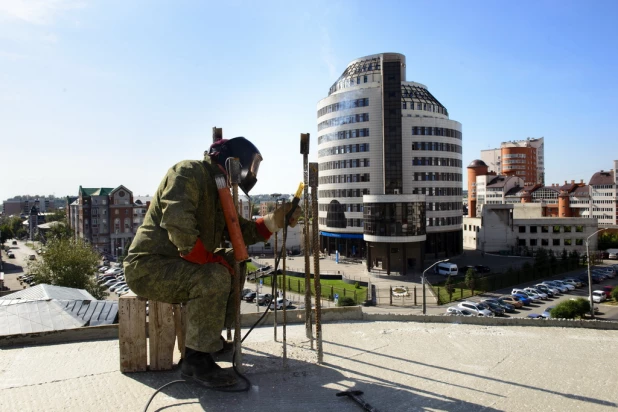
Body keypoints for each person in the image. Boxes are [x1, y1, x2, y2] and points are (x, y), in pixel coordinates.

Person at [124, 137, 301, 388]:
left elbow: (238, 230)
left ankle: (209, 341)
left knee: (236, 262)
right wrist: (210, 260)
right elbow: (178, 223)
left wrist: (274, 220)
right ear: (233, 162)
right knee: (214, 275)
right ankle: (196, 362)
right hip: (149, 267)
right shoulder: (188, 173)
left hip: (177, 265)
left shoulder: (218, 188)